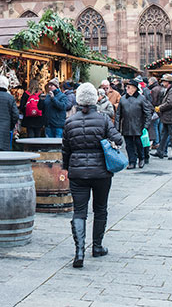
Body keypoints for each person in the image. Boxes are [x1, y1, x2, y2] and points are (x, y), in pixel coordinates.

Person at [62, 82, 123, 268]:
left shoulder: (70, 121)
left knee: (79, 211)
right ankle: (97, 247)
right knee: (100, 209)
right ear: (94, 98)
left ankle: (79, 251)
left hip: (78, 172)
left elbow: (66, 149)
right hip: (101, 173)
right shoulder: (103, 119)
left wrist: (66, 168)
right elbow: (118, 139)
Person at [116, 79, 153, 169]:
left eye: (129, 87)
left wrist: (146, 126)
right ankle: (132, 161)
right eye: (126, 87)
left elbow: (148, 113)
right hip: (126, 126)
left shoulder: (141, 98)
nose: (127, 88)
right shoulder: (123, 99)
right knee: (129, 145)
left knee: (138, 143)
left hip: (138, 126)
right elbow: (118, 114)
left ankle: (141, 158)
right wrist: (117, 127)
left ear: (134, 88)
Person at [153, 74, 172, 160]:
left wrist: (160, 108)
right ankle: (161, 151)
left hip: (171, 116)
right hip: (168, 116)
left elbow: (170, 103)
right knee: (164, 134)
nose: (162, 82)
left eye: (164, 81)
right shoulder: (171, 89)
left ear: (168, 82)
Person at [144, 76, 163, 148]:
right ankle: (159, 141)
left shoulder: (154, 90)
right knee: (159, 126)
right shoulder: (160, 88)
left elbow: (153, 101)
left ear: (151, 82)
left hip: (156, 110)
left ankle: (156, 142)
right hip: (160, 110)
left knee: (155, 127)